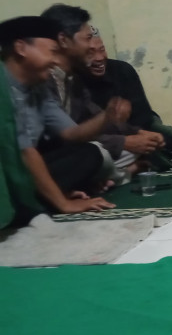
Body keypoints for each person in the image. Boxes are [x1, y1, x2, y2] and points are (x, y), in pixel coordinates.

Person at [0, 15, 117, 214]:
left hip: (23, 169)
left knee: (90, 153)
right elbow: (25, 152)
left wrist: (107, 117)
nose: (56, 61)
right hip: (6, 173)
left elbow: (71, 134)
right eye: (52, 52)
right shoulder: (3, 88)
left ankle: (43, 198)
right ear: (21, 48)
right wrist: (64, 204)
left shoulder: (38, 87)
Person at [81, 24, 172, 163]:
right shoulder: (73, 81)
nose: (99, 58)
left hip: (135, 130)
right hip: (102, 141)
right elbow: (79, 131)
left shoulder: (122, 70)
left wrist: (142, 136)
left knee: (157, 136)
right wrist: (124, 141)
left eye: (102, 49)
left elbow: (144, 119)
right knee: (95, 153)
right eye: (90, 53)